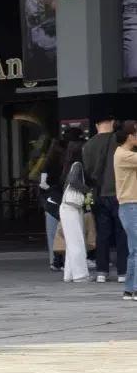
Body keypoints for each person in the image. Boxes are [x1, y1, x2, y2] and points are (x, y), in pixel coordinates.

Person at [83, 115, 129, 284]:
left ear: (96, 125)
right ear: (112, 123)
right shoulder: (119, 142)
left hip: (98, 193)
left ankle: (102, 271)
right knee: (121, 233)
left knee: (102, 234)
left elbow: (87, 171)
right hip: (118, 192)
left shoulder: (88, 145)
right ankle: (123, 272)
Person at [58, 139, 90, 283]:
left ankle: (69, 274)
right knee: (77, 241)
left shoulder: (69, 165)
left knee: (72, 242)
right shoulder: (77, 165)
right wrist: (87, 190)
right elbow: (74, 181)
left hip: (67, 207)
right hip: (72, 208)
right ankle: (80, 274)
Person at [114, 120, 137, 301]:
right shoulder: (125, 155)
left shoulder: (125, 153)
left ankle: (129, 289)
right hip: (131, 205)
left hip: (129, 206)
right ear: (130, 137)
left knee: (133, 250)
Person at [39, 138, 65, 271]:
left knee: (52, 232)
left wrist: (50, 190)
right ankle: (63, 260)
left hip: (51, 200)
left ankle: (53, 260)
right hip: (64, 198)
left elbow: (42, 184)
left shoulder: (47, 163)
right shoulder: (66, 163)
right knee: (65, 231)